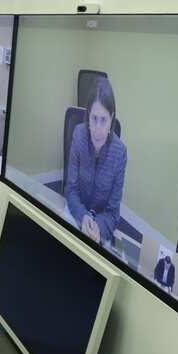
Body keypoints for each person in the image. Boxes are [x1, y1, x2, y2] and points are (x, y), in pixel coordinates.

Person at [63, 77, 127, 244]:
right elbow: (71, 189)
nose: (98, 129)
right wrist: (83, 216)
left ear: (112, 118)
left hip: (101, 227)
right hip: (76, 214)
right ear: (88, 115)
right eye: (94, 118)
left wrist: (98, 226)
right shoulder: (78, 135)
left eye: (104, 120)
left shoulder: (120, 152)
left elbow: (113, 212)